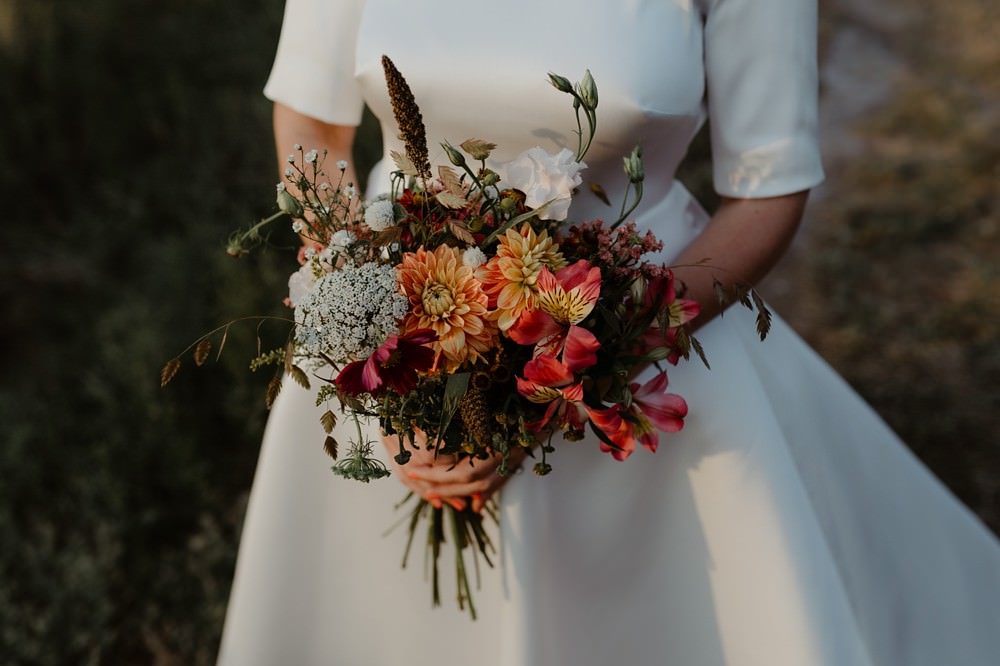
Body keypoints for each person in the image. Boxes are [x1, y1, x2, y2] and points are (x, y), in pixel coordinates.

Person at [217, 1, 1000, 664]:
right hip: (392, 312)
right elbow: (313, 126)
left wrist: (577, 363)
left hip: (632, 346)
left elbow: (768, 193)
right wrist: (373, 337)